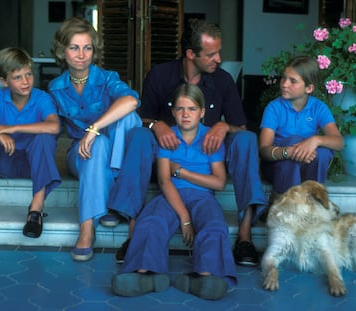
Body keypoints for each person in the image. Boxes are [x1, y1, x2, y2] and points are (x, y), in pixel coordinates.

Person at [108, 18, 267, 267]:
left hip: (208, 155)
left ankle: (245, 236)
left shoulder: (223, 80)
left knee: (246, 139)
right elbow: (141, 119)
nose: (219, 59)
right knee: (138, 136)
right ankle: (133, 234)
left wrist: (224, 125)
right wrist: (155, 125)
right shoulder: (160, 75)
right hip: (167, 155)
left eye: (219, 52)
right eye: (212, 54)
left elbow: (241, 127)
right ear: (191, 54)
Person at [111, 83, 237, 300]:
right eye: (180, 109)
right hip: (170, 195)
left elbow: (218, 182)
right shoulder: (168, 137)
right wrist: (185, 218)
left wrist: (183, 172)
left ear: (202, 112)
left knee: (214, 225)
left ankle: (206, 277)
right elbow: (164, 180)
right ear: (173, 112)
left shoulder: (210, 138)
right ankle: (145, 274)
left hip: (203, 195)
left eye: (192, 109)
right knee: (151, 222)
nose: (185, 114)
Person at [48, 17, 142, 262]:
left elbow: (131, 101)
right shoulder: (56, 88)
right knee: (94, 146)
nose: (81, 54)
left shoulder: (108, 78)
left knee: (127, 118)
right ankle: (87, 227)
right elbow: (52, 129)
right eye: (74, 47)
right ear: (62, 51)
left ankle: (107, 203)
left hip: (110, 148)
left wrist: (94, 128)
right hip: (81, 155)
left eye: (87, 47)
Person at [0, 47, 61, 238]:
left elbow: (54, 127)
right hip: (4, 162)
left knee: (44, 137)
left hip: (33, 165)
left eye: (28, 74)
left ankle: (36, 209)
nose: (25, 81)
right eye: (17, 77)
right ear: (4, 81)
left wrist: (12, 129)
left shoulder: (42, 98)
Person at [259, 56, 343, 197]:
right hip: (276, 167)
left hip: (306, 166)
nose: (285, 84)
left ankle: (313, 199)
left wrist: (315, 140)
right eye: (283, 78)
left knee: (323, 151)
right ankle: (283, 200)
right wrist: (289, 151)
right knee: (293, 141)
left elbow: (339, 142)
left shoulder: (318, 107)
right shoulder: (274, 108)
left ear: (309, 88)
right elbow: (264, 151)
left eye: (293, 81)